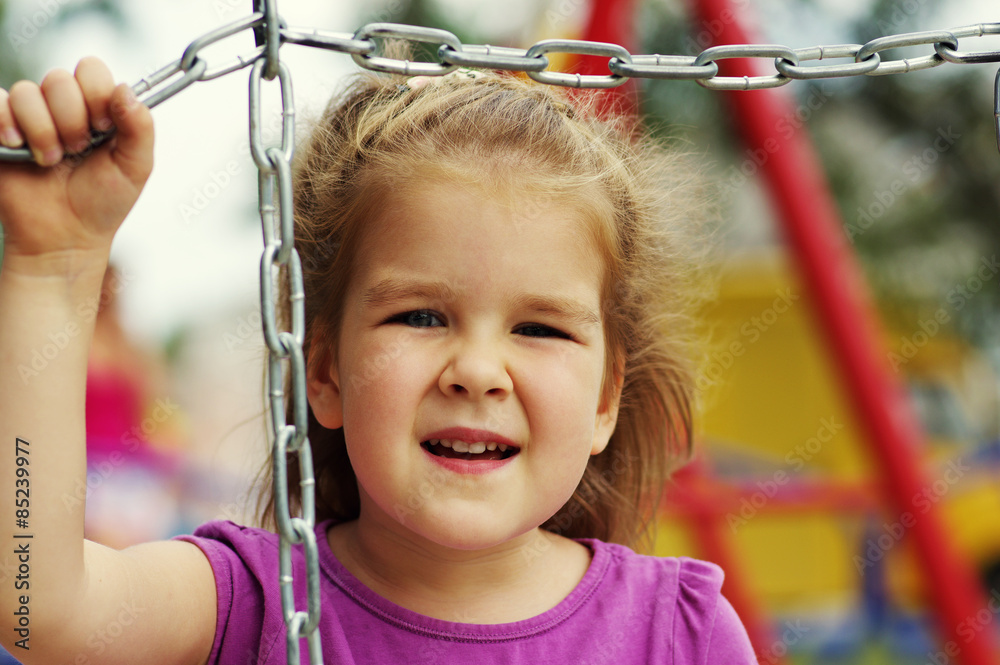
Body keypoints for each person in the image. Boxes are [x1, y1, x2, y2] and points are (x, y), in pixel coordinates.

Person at [0, 54, 757, 664]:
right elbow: (41, 612)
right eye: (421, 315)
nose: (478, 369)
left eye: (539, 329)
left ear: (604, 398)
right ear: (325, 371)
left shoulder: (681, 633)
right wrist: (52, 263)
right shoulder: (255, 600)